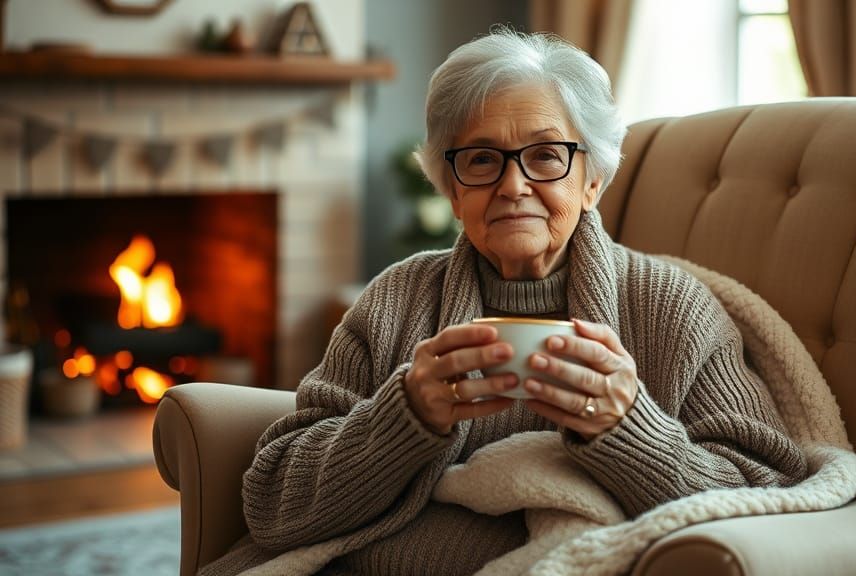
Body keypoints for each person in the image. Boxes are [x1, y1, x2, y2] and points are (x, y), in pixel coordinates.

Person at [201, 27, 807, 576]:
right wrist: (405, 416)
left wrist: (629, 429)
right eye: (482, 159)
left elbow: (768, 493)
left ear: (592, 180)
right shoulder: (395, 301)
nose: (513, 186)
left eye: (545, 156)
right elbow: (275, 504)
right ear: (452, 190)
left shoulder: (671, 309)